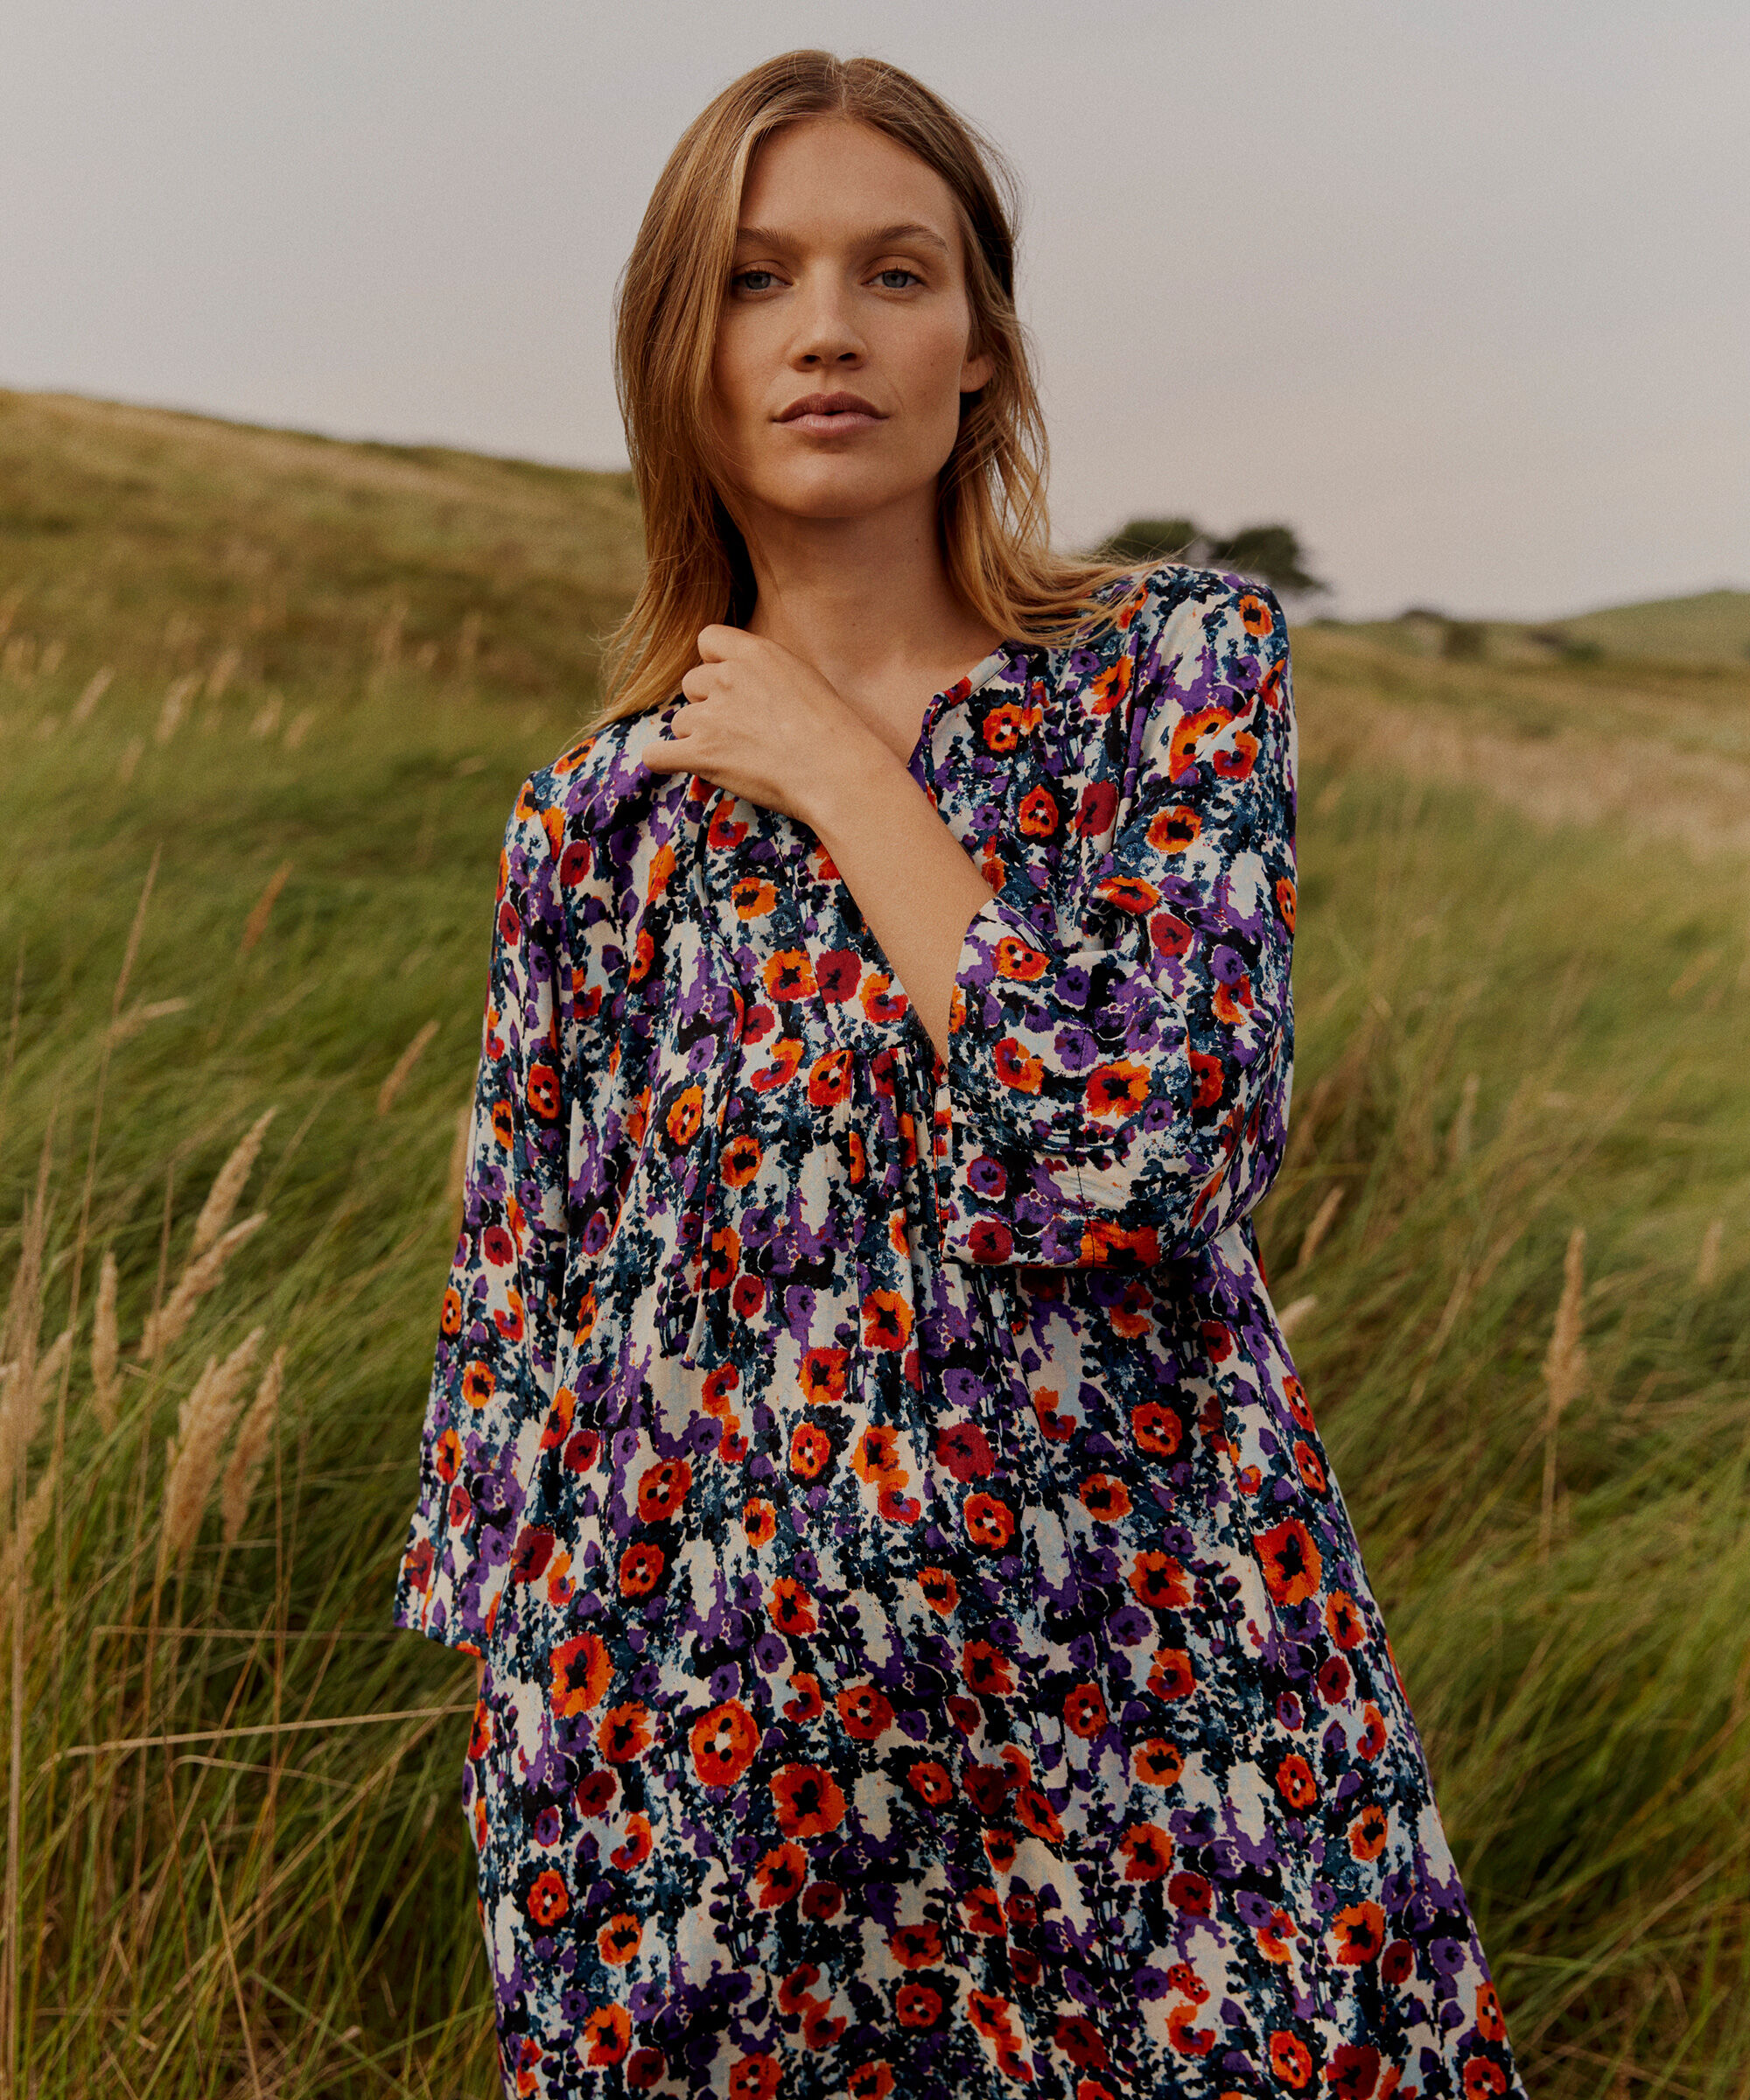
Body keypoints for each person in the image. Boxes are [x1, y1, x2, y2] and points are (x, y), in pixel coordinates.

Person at [393, 48, 1524, 2100]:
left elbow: (1151, 1148)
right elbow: (516, 1329)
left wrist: (845, 775)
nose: (824, 329)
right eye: (755, 278)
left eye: (892, 272)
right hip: (710, 1759)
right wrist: (553, 1781)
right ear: (675, 347)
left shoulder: (1170, 672)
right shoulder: (593, 819)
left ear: (982, 343)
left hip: (1151, 1713)